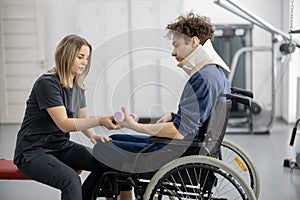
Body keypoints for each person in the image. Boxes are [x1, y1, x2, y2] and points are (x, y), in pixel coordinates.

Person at [91, 12, 231, 200]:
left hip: (177, 152)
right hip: (193, 146)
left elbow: (178, 132)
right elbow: (201, 113)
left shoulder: (201, 78)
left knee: (104, 148)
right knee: (113, 138)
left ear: (194, 42)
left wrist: (135, 126)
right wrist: (174, 115)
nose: (173, 52)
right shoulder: (216, 74)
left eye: (176, 45)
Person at [13, 34, 120, 200]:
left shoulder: (77, 84)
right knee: (70, 180)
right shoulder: (47, 83)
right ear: (67, 55)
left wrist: (93, 135)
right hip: (32, 151)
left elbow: (82, 116)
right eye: (80, 57)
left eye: (87, 58)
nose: (85, 62)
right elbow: (64, 124)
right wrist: (100, 120)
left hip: (59, 146)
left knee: (106, 164)